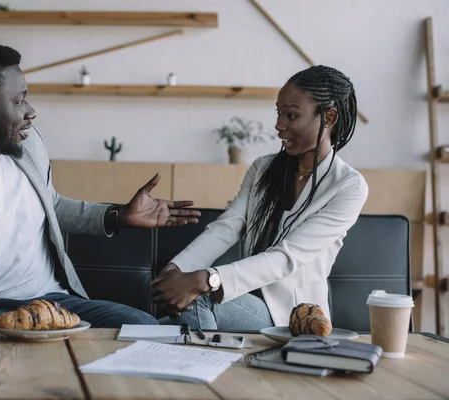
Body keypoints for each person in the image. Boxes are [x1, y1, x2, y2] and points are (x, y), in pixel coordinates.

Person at [0, 43, 201, 364]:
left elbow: (48, 205)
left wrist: (118, 216)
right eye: (19, 100)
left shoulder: (26, 145)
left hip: (52, 300)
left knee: (142, 326)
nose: (31, 111)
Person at [151, 65, 368, 331]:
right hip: (240, 301)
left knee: (197, 300)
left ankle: (206, 366)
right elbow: (226, 227)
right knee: (147, 326)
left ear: (329, 117)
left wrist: (206, 280)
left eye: (291, 115)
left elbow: (286, 258)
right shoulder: (263, 169)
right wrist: (177, 268)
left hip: (289, 315)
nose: (279, 126)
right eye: (279, 114)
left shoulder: (348, 186)